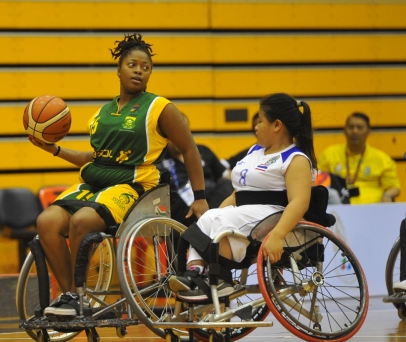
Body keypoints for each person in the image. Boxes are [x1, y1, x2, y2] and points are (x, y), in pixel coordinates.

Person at [28, 33, 208, 317]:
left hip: (132, 183)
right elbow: (93, 158)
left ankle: (79, 295)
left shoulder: (159, 107)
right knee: (46, 221)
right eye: (132, 64)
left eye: (145, 67)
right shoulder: (103, 113)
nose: (139, 70)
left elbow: (189, 149)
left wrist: (200, 197)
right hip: (94, 182)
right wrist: (54, 149)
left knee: (82, 221)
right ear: (119, 69)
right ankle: (72, 298)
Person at [168, 92, 318, 301]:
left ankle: (221, 278)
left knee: (220, 221)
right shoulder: (254, 151)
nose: (255, 126)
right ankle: (194, 272)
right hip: (246, 211)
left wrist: (277, 235)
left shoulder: (296, 159)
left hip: (272, 215)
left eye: (260, 120)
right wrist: (212, 215)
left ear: (277, 125)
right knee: (208, 218)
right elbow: (237, 194)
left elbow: (300, 202)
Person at [318, 112, 401, 204]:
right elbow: (318, 179)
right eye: (351, 127)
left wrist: (387, 195)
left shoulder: (382, 158)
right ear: (344, 130)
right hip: (339, 206)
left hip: (373, 207)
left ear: (368, 132)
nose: (355, 131)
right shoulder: (329, 154)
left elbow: (394, 187)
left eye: (360, 127)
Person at [158, 135, 233, 226]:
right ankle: (209, 225)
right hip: (184, 210)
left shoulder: (203, 151)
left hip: (211, 200)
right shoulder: (159, 159)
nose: (179, 140)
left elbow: (226, 175)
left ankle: (210, 223)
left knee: (226, 184)